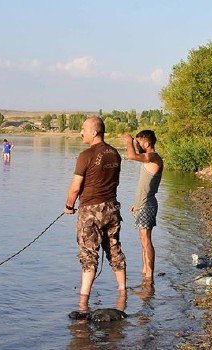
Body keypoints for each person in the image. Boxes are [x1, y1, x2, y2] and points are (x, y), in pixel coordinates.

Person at [64, 116, 126, 299]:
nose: (80, 132)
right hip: (112, 208)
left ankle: (84, 298)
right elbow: (116, 181)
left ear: (94, 132)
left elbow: (75, 187)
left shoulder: (86, 156)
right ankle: (123, 291)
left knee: (88, 254)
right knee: (114, 249)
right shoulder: (115, 153)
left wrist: (69, 205)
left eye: (83, 129)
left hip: (91, 210)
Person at [122, 130, 163, 282]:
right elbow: (144, 186)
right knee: (142, 240)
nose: (137, 145)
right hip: (142, 204)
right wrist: (136, 204)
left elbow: (131, 156)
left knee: (146, 239)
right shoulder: (149, 159)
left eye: (138, 142)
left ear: (147, 143)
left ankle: (149, 276)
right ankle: (145, 272)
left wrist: (128, 141)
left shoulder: (153, 157)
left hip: (148, 205)